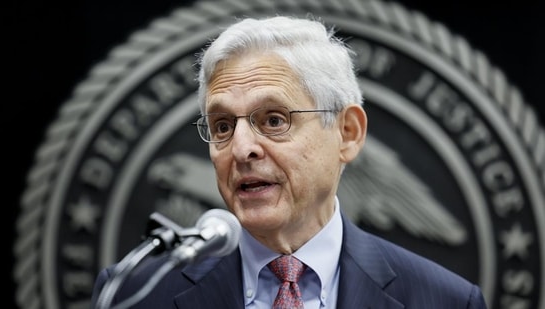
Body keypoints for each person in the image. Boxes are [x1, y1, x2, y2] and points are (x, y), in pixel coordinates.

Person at [91, 15, 488, 308]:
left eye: (274, 120)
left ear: (347, 133)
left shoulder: (445, 300)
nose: (242, 148)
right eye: (223, 125)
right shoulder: (134, 294)